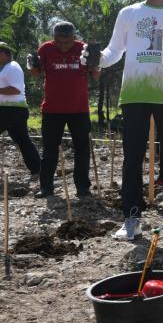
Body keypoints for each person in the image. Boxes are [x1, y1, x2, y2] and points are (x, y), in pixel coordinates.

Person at [82, 0, 163, 241]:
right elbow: (114, 51)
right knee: (132, 159)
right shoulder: (129, 13)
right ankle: (131, 219)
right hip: (135, 94)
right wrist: (97, 59)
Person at [29, 22, 100, 198]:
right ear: (53, 38)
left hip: (79, 109)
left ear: (74, 38)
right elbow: (36, 75)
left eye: (67, 43)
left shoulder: (83, 48)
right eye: (59, 42)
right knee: (50, 150)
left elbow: (95, 76)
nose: (63, 46)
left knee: (82, 149)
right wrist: (33, 65)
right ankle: (46, 188)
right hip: (52, 109)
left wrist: (97, 62)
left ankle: (83, 187)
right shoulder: (45, 49)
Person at [0, 42, 41, 179]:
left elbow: (15, 89)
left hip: (10, 110)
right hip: (13, 110)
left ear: (3, 54)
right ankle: (38, 169)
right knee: (23, 140)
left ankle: (38, 169)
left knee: (23, 140)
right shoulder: (6, 68)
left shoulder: (12, 67)